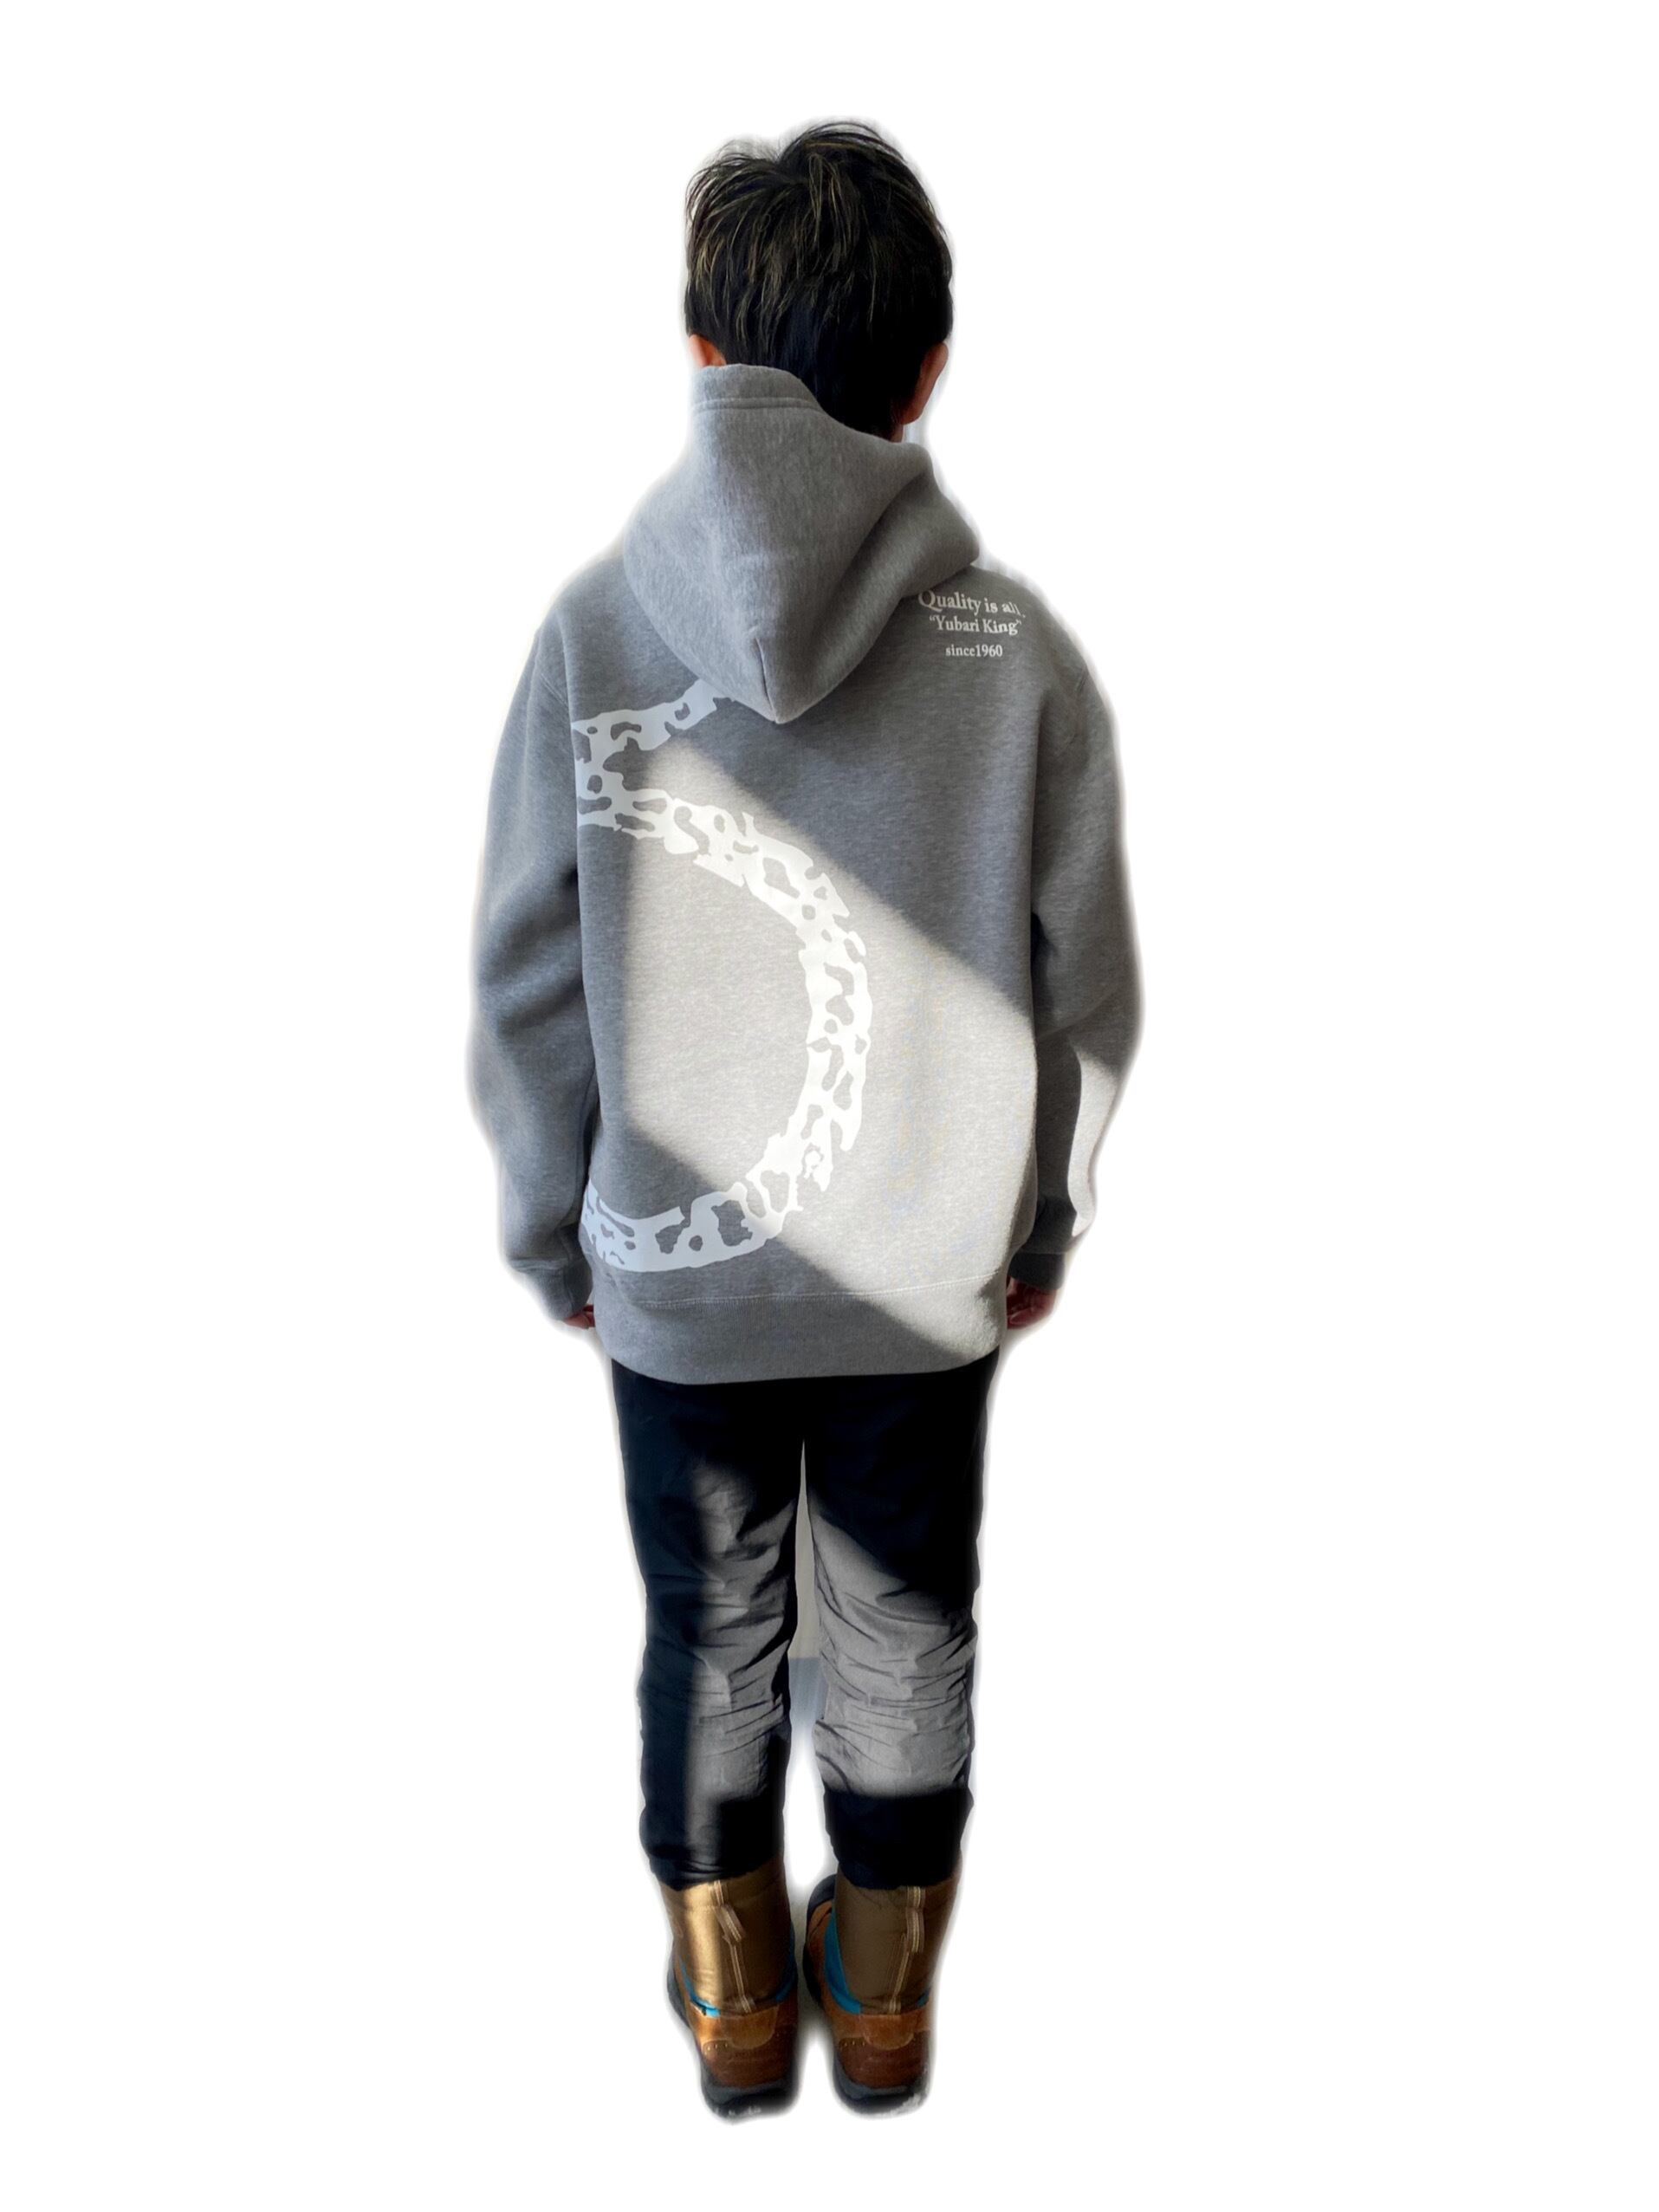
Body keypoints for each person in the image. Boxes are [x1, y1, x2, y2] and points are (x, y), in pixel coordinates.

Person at [470, 120, 1140, 2118]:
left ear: (701, 358)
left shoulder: (593, 633)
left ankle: (737, 1990)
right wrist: (1036, 1222)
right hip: (921, 1271)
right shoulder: (1012, 653)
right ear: (927, 371)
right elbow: (1083, 994)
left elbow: (527, 974)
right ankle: (889, 1984)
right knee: (903, 1615)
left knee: (711, 1619)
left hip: (679, 1286)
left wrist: (551, 1222)